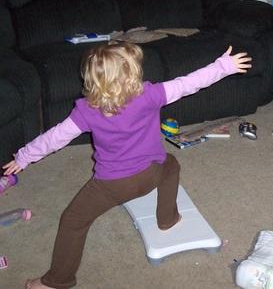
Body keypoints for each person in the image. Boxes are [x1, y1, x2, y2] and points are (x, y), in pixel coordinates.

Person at [2, 41, 252, 289]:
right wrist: (224, 66)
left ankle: (56, 282)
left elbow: (54, 138)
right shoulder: (150, 95)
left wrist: (24, 157)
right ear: (132, 76)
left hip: (111, 186)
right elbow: (190, 83)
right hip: (152, 173)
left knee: (72, 221)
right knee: (172, 166)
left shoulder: (87, 111)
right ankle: (167, 218)